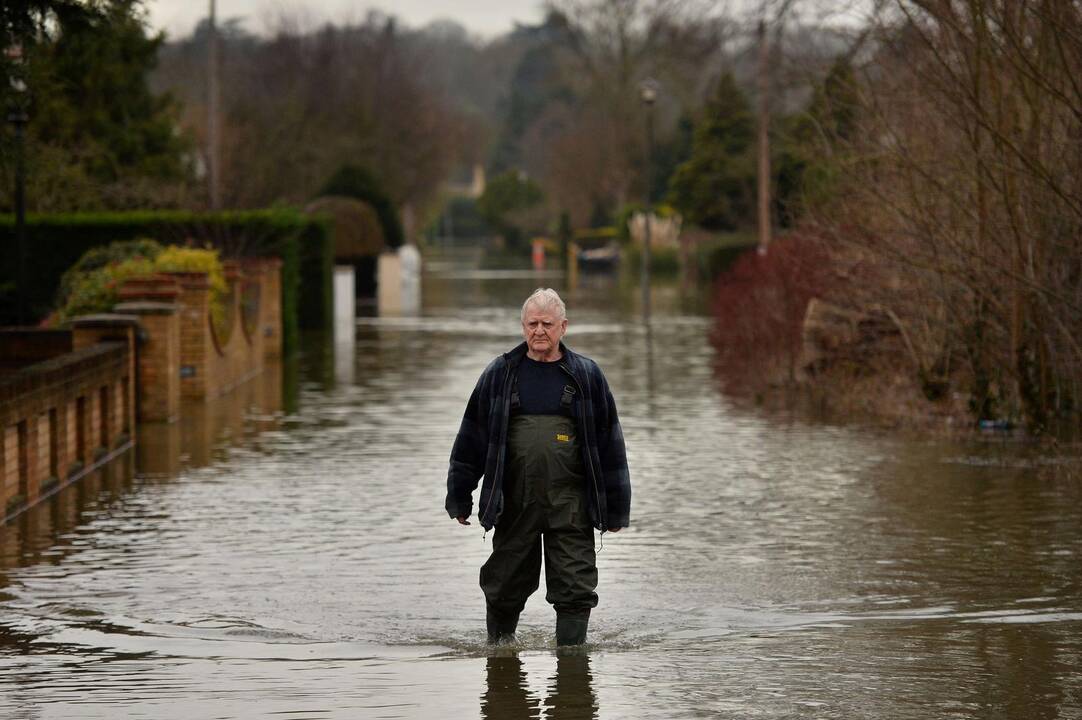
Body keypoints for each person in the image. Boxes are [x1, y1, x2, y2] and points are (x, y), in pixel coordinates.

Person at [446, 288, 631, 646]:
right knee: (504, 584)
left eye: (547, 324)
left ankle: (573, 669)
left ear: (564, 327)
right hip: (514, 503)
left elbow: (611, 445)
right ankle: (500, 655)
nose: (539, 331)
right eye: (532, 323)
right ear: (522, 326)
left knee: (575, 586)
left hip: (571, 504)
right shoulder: (500, 374)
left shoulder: (587, 376)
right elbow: (471, 438)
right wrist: (459, 496)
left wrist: (616, 509)